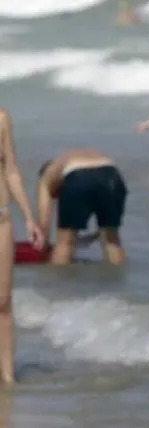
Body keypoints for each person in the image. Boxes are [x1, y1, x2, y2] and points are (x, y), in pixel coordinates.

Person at [0, 109, 44, 384]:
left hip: (1, 220)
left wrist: (28, 218)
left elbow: (11, 170)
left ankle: (8, 379)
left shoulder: (1, 119)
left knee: (3, 302)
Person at [36, 150, 127, 266]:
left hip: (78, 177)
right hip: (112, 176)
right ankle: (119, 276)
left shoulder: (45, 178)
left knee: (65, 243)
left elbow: (43, 225)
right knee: (112, 241)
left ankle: (58, 277)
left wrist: (44, 248)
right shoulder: (69, 159)